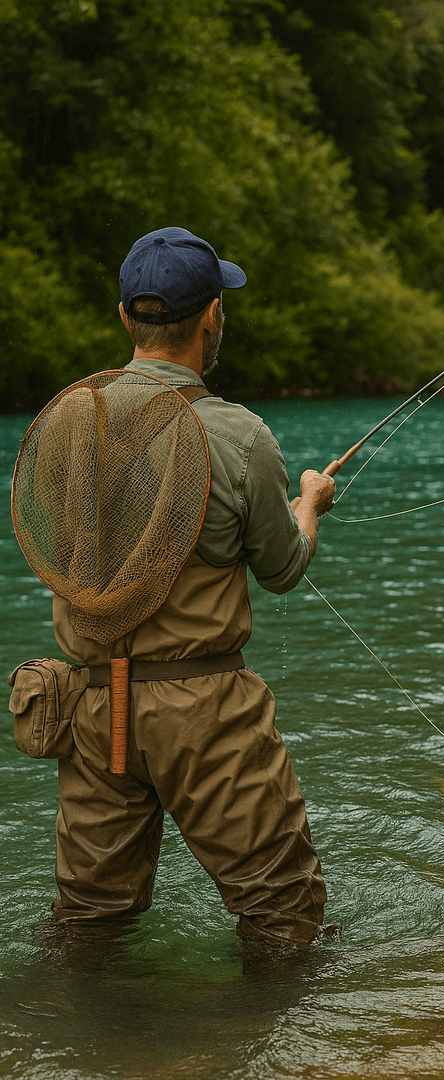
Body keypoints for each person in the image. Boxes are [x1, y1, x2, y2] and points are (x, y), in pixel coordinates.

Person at [48, 226, 337, 946]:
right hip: (203, 713)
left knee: (87, 925)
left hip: (93, 708)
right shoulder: (239, 436)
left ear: (125, 318)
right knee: (284, 918)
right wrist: (309, 505)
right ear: (212, 315)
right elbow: (281, 570)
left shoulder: (66, 426)